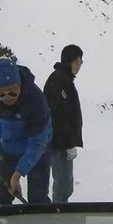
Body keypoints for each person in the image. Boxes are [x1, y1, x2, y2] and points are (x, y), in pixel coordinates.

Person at [0, 58, 52, 204]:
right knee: (3, 196)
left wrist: (18, 174)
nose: (7, 97)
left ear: (20, 84)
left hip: (38, 152)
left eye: (12, 92)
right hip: (8, 147)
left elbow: (38, 143)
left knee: (38, 199)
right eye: (1, 94)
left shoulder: (35, 100)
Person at [44, 45, 84, 203]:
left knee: (66, 185)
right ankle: (58, 219)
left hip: (62, 142)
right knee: (63, 185)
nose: (80, 65)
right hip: (58, 144)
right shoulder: (59, 80)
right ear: (75, 61)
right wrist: (68, 143)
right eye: (80, 61)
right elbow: (58, 116)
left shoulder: (63, 79)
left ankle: (60, 214)